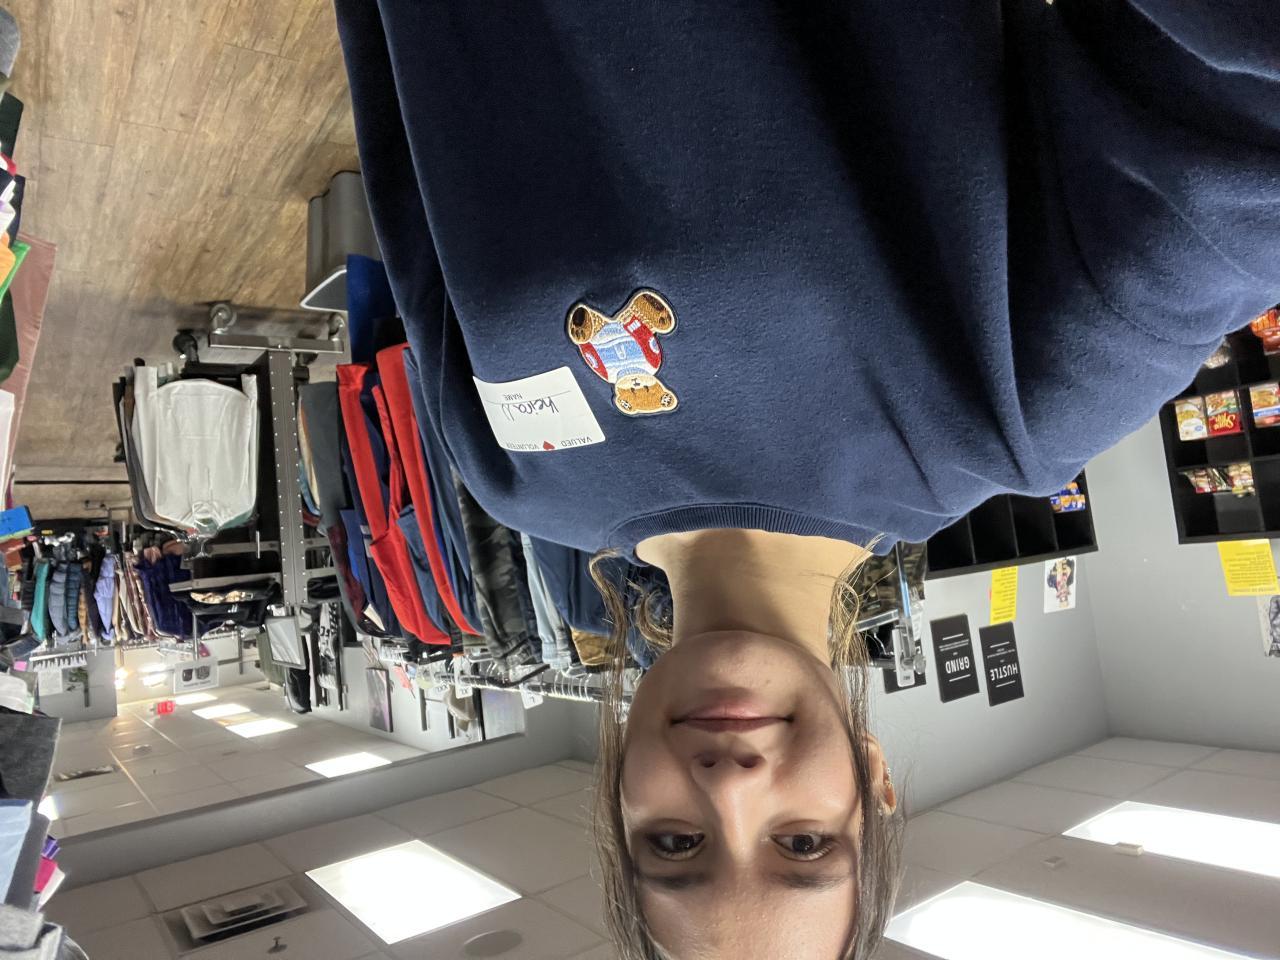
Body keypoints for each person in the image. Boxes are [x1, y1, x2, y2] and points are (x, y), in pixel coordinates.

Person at [333, 1, 1280, 956]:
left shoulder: (516, 480)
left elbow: (407, 150)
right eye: (801, 843)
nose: (731, 787)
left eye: (675, 844)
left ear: (617, 806)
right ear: (873, 780)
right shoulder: (1012, 410)